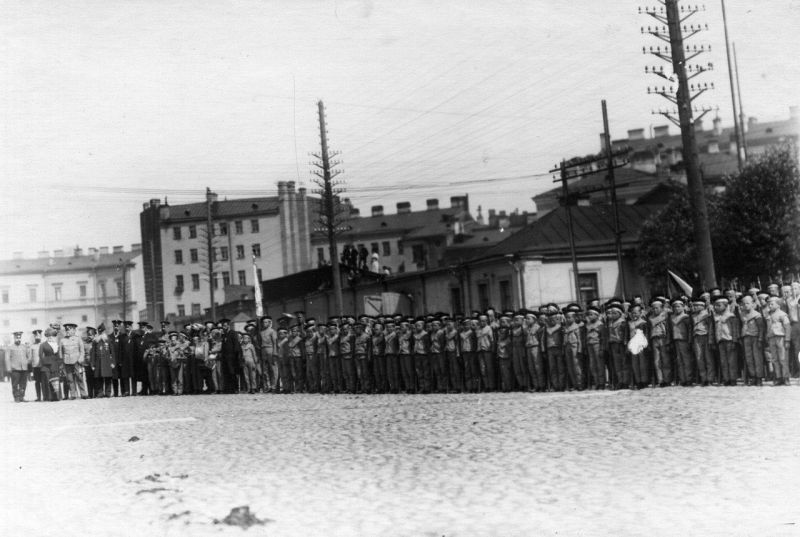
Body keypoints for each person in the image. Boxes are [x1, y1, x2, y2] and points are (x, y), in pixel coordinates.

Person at [739, 294, 765, 386]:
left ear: (753, 304)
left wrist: (760, 339)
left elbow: (761, 328)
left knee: (757, 358)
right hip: (746, 337)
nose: (746, 305)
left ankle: (759, 378)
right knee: (749, 358)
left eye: (748, 303)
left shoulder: (757, 315)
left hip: (755, 337)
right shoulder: (742, 314)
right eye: (744, 303)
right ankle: (753, 377)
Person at [765, 295, 792, 386]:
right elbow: (768, 327)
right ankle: (778, 377)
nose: (770, 306)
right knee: (774, 359)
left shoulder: (782, 315)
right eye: (769, 304)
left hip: (781, 338)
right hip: (771, 338)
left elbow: (787, 327)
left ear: (778, 305)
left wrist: (787, 340)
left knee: (783, 358)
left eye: (772, 304)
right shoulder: (768, 315)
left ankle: (786, 377)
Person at [712, 296, 738, 386]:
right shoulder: (716, 317)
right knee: (723, 361)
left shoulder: (731, 316)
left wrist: (734, 341)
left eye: (719, 305)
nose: (716, 307)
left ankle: (733, 378)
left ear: (726, 306)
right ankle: (726, 379)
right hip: (720, 341)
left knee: (731, 361)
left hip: (729, 340)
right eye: (715, 305)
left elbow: (734, 329)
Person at [669, 298, 693, 386]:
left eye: (679, 306)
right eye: (675, 307)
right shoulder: (671, 318)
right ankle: (683, 379)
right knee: (679, 360)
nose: (677, 309)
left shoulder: (686, 317)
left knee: (686, 360)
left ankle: (689, 378)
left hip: (684, 340)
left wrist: (689, 340)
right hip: (676, 340)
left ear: (683, 307)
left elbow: (689, 330)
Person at [60, 323, 87, 399]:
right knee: (70, 379)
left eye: (69, 330)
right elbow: (60, 352)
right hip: (67, 362)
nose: (67, 331)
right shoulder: (62, 340)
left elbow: (82, 351)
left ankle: (83, 394)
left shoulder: (78, 339)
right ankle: (73, 394)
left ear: (74, 330)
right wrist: (62, 362)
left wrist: (80, 359)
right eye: (66, 330)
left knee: (79, 378)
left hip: (76, 361)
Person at [584, 306, 606, 390]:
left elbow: (603, 338)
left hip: (597, 345)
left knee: (600, 365)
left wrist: (601, 349)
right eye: (589, 315)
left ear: (597, 315)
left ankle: (601, 383)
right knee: (592, 365)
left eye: (591, 314)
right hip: (589, 345)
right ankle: (597, 382)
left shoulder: (600, 325)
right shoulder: (588, 325)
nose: (590, 316)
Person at [5, 331, 31, 402]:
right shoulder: (10, 347)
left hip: (24, 368)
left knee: (23, 384)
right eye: (17, 338)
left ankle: (22, 397)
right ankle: (16, 397)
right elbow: (7, 358)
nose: (18, 339)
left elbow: (29, 356)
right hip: (15, 368)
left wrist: (26, 362)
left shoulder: (24, 347)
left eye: (19, 338)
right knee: (15, 384)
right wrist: (8, 368)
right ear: (14, 338)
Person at [91, 323, 115, 397]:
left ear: (104, 331)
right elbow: (93, 353)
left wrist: (113, 362)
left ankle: (108, 392)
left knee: (108, 377)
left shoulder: (108, 340)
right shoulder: (95, 341)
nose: (101, 333)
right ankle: (100, 393)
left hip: (107, 362)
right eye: (100, 332)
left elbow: (112, 352)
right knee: (99, 378)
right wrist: (92, 364)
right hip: (98, 362)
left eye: (102, 332)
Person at [219, 319, 242, 394]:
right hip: (225, 357)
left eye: (225, 325)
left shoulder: (233, 333)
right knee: (226, 372)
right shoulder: (224, 334)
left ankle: (235, 388)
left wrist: (236, 355)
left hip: (232, 356)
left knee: (232, 372)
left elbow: (236, 344)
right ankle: (228, 388)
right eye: (223, 326)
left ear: (229, 325)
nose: (224, 327)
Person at [39, 328, 62, 401]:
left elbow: (58, 355)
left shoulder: (56, 345)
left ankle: (57, 396)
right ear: (46, 336)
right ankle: (49, 397)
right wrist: (45, 363)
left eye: (52, 336)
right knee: (47, 380)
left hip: (55, 364)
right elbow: (40, 355)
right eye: (49, 336)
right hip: (46, 365)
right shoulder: (43, 345)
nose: (50, 337)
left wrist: (59, 364)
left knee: (55, 380)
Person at [30, 329, 45, 401]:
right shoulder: (32, 346)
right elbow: (30, 357)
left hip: (43, 366)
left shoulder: (44, 345)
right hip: (35, 366)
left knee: (44, 382)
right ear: (34, 337)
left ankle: (45, 396)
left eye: (39, 336)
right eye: (36, 336)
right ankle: (38, 397)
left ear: (41, 336)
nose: (37, 337)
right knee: (37, 382)